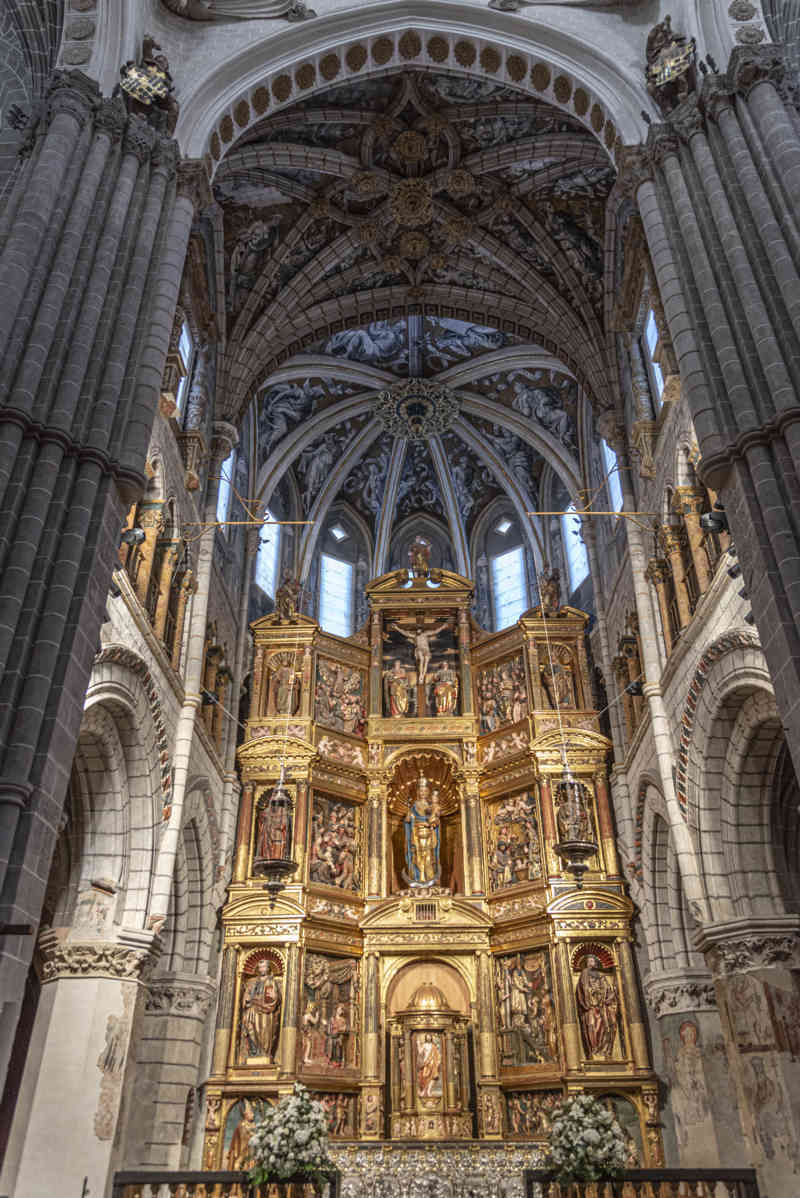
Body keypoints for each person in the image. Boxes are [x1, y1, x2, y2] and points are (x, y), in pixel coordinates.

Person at [575, 954, 619, 1058]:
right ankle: (594, 1049)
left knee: (605, 1026)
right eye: (589, 961)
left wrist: (607, 996)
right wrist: (590, 996)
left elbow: (607, 989)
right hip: (591, 1006)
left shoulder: (601, 976)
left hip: (601, 1006)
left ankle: (604, 1049)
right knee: (592, 1025)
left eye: (592, 961)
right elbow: (582, 989)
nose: (591, 963)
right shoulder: (584, 974)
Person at [240, 959, 282, 1061]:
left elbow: (276, 998)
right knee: (249, 1027)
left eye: (264, 967)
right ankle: (254, 1051)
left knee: (264, 1031)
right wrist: (247, 999)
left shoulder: (272, 981)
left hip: (266, 1013)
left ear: (268, 968)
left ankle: (264, 1052)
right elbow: (247, 996)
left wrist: (273, 998)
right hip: (253, 1009)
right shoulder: (253, 982)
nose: (262, 969)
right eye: (260, 967)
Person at [416, 1033, 442, 1098]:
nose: (428, 1038)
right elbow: (420, 1052)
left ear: (431, 1038)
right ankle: (423, 1091)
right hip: (426, 1062)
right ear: (426, 1038)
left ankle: (428, 1091)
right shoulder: (424, 1045)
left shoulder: (433, 1046)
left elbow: (437, 1054)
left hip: (433, 1062)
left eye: (429, 1037)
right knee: (425, 1076)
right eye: (427, 1037)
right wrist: (418, 1044)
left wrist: (438, 1061)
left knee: (433, 1077)